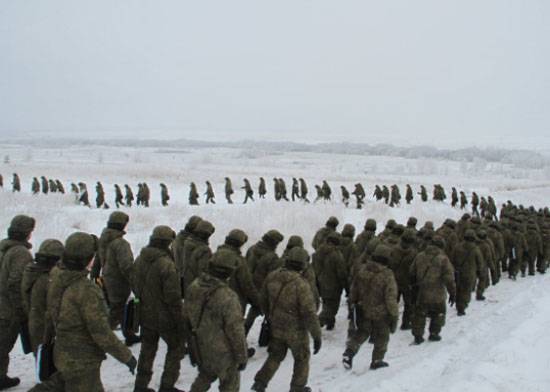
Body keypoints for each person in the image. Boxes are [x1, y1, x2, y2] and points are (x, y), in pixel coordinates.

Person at [30, 232, 136, 392]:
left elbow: (49, 314)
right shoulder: (86, 290)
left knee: (60, 383)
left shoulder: (55, 276)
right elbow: (101, 332)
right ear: (88, 259)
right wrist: (126, 356)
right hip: (82, 360)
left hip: (61, 351)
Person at [252, 247, 322, 392]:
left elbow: (263, 300)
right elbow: (309, 313)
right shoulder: (301, 284)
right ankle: (297, 387)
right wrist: (316, 335)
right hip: (296, 330)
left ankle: (260, 382)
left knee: (275, 356)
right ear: (303, 264)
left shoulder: (272, 276)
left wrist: (271, 316)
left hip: (276, 326)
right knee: (302, 358)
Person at [183, 249, 248, 392]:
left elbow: (186, 316)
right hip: (224, 352)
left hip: (200, 346)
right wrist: (242, 356)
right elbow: (236, 330)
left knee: (204, 376)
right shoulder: (228, 296)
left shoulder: (194, 286)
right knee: (230, 384)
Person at [133, 226, 185, 392]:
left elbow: (134, 284)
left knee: (147, 350)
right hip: (165, 318)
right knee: (175, 348)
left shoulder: (140, 259)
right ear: (166, 243)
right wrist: (180, 321)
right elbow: (173, 298)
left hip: (144, 313)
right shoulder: (166, 264)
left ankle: (140, 386)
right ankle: (167, 387)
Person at [342, 245, 398, 370]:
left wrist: (353, 305)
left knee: (361, 333)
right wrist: (394, 314)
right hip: (380, 313)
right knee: (382, 336)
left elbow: (353, 291)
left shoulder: (362, 270)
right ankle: (377, 360)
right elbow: (390, 298)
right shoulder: (387, 275)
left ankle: (349, 352)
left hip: (362, 309)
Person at [90, 212, 139, 346]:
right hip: (119, 281)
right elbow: (126, 266)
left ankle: (128, 334)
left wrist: (94, 275)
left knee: (120, 308)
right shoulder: (120, 244)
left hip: (107, 279)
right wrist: (135, 282)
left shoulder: (103, 240)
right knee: (116, 311)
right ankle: (100, 340)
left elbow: (98, 260)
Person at [0, 215, 35, 389]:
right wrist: (22, 310)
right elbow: (16, 284)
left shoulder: (3, 247)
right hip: (7, 310)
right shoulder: (20, 253)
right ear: (27, 233)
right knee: (3, 344)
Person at [409, 236, 456, 344]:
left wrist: (414, 286)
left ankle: (418, 335)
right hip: (438, 292)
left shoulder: (420, 256)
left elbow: (412, 272)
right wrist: (452, 293)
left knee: (420, 314)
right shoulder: (443, 259)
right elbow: (449, 278)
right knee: (438, 313)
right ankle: (434, 333)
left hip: (422, 292)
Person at [21, 239, 64, 353]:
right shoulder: (46, 280)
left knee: (42, 365)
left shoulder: (32, 273)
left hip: (36, 326)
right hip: (46, 332)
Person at [312, 232, 347, 330]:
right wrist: (346, 287)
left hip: (319, 284)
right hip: (333, 286)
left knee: (327, 304)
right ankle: (317, 324)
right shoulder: (337, 255)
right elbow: (342, 274)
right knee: (332, 309)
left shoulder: (318, 252)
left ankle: (330, 324)